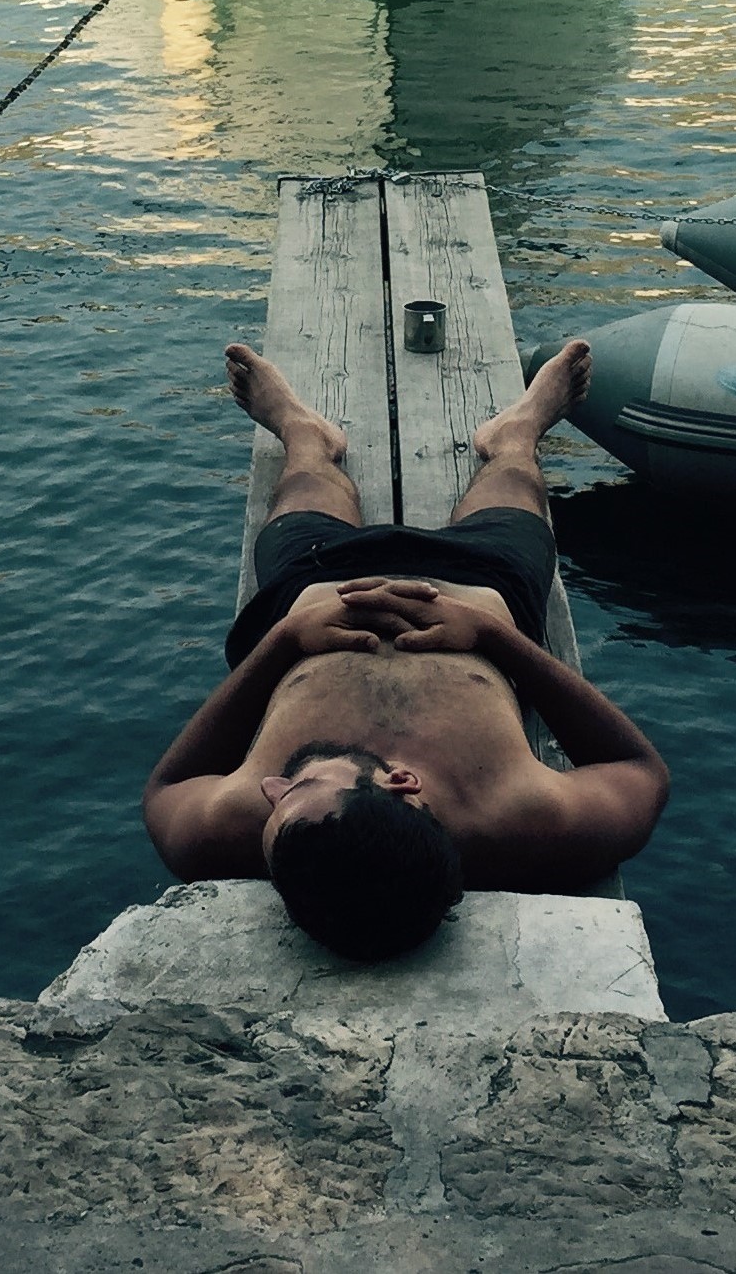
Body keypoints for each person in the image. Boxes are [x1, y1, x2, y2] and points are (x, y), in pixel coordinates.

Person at [143, 339, 669, 960]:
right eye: (298, 788)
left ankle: (304, 435)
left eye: (273, 811)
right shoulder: (520, 820)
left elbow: (166, 792)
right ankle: (517, 433)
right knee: (514, 487)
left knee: (302, 492)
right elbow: (643, 776)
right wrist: (491, 634)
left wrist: (286, 640)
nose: (270, 790)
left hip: (320, 584)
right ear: (400, 782)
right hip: (478, 585)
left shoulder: (262, 828)